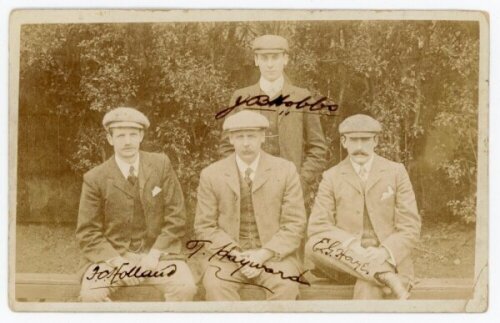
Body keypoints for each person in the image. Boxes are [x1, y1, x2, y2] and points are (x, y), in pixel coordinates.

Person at [76, 107, 197, 302]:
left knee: (185, 288)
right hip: (113, 259)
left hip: (158, 257)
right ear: (110, 139)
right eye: (120, 135)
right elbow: (88, 232)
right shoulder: (95, 178)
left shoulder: (161, 165)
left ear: (141, 136)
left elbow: (176, 217)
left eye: (133, 134)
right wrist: (120, 263)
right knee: (91, 295)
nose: (127, 141)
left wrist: (153, 255)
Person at [305, 114, 421, 299]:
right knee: (313, 244)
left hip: (388, 259)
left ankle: (383, 273)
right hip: (347, 263)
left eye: (365, 140)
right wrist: (353, 246)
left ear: (375, 141)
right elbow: (318, 226)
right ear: (344, 142)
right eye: (353, 140)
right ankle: (384, 275)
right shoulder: (332, 176)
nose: (359, 147)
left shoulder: (396, 172)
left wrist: (384, 252)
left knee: (368, 288)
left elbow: (410, 227)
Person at [195, 110, 307, 301]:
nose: (246, 143)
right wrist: (237, 256)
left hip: (274, 256)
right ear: (231, 139)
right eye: (240, 137)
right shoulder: (211, 174)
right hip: (228, 258)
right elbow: (205, 227)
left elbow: (295, 224)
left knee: (286, 284)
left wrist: (262, 255)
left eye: (251, 136)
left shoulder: (285, 170)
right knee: (216, 285)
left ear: (262, 137)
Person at [218, 34, 327, 196]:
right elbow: (227, 146)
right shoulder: (240, 98)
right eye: (264, 58)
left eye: (275, 57)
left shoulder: (302, 97)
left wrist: (300, 182)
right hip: (250, 189)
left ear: (285, 59)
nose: (270, 64)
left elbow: (318, 148)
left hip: (289, 188)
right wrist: (242, 180)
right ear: (256, 60)